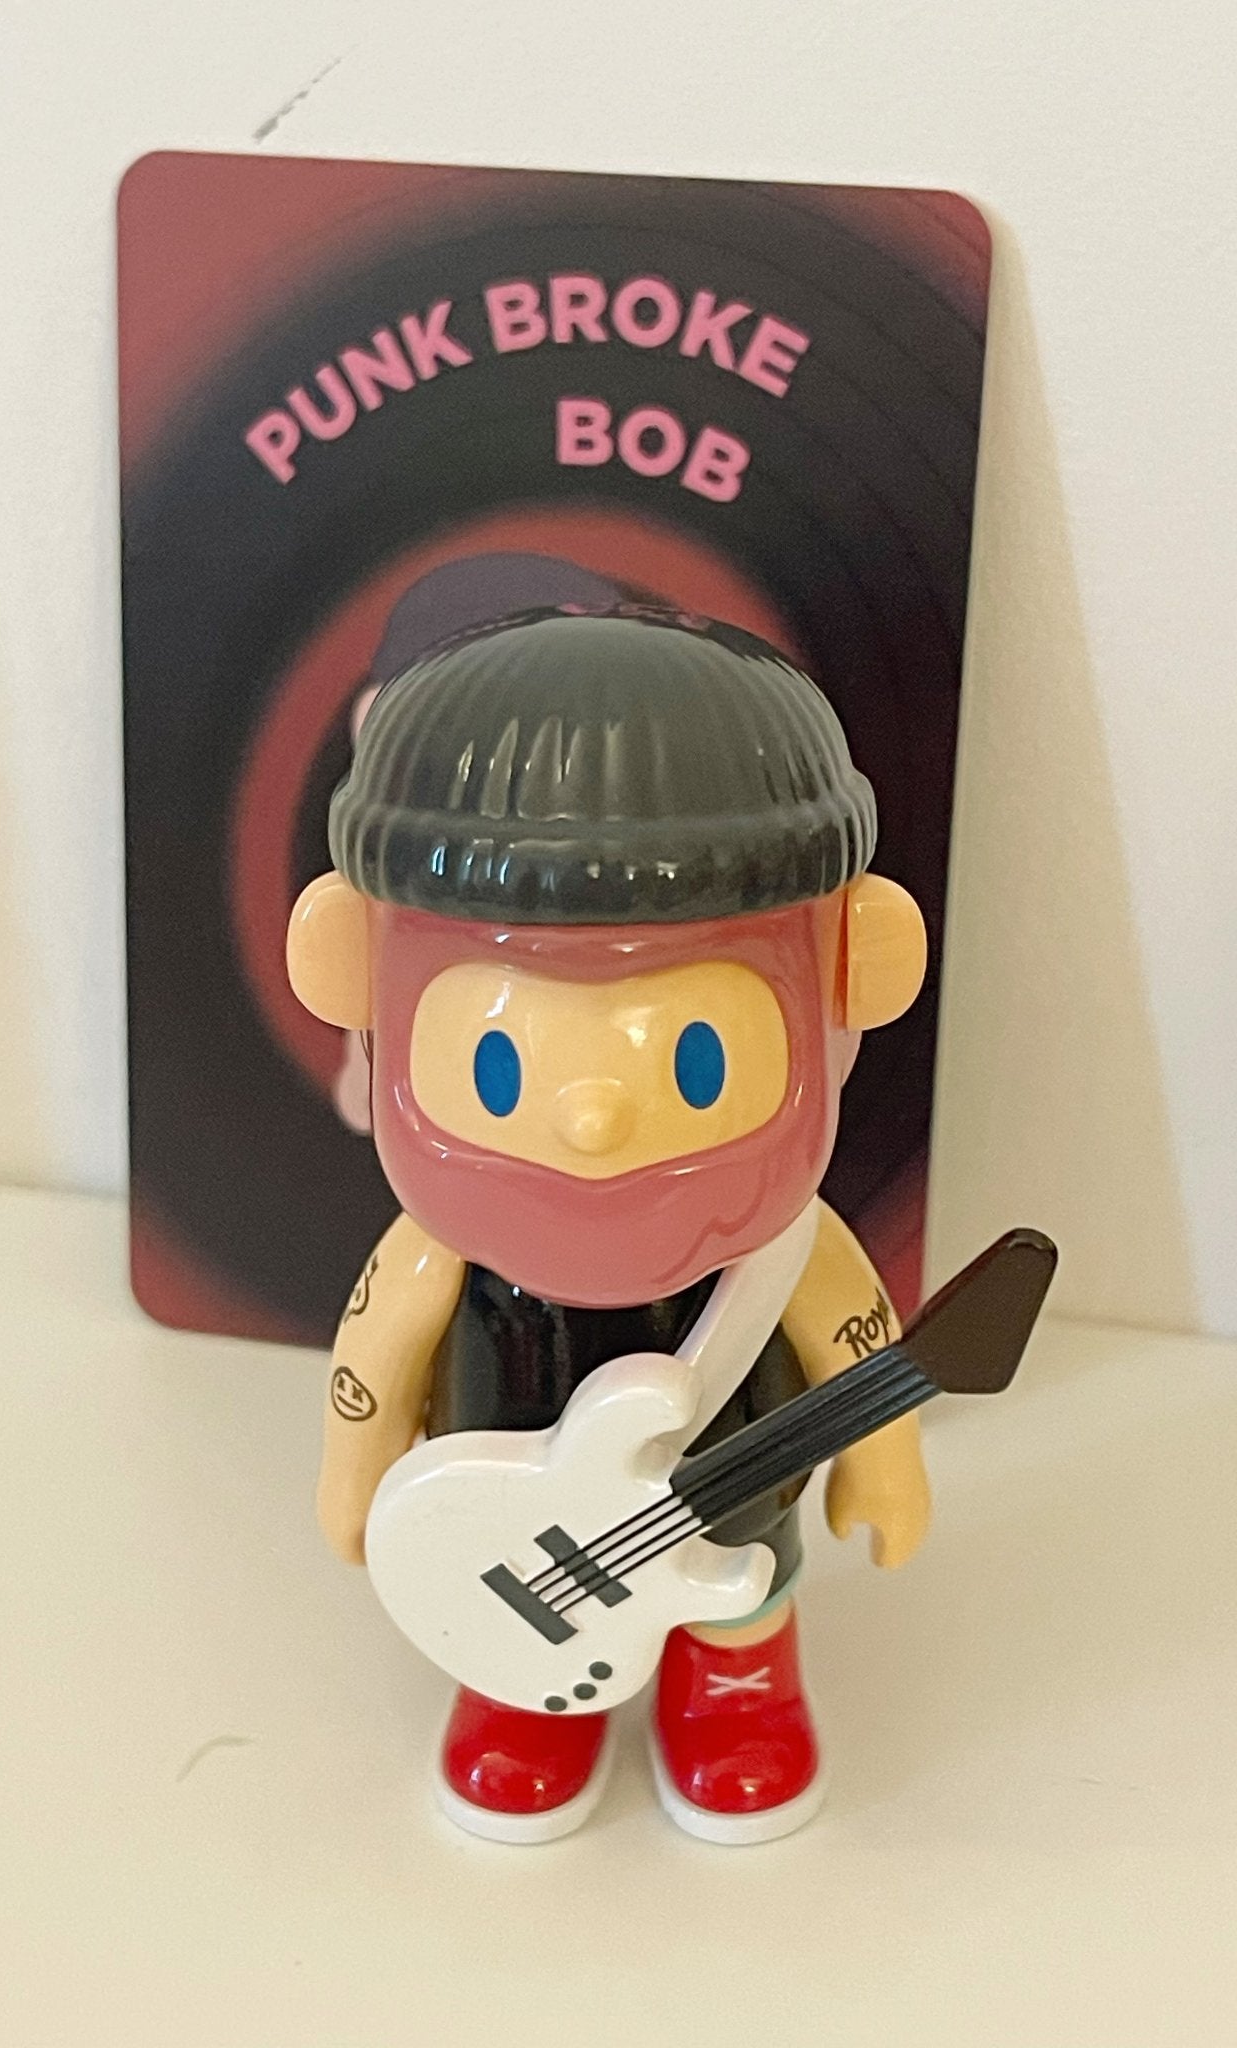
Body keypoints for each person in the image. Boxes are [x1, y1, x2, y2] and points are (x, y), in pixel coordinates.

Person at [286, 604, 931, 1843]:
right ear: (349, 967)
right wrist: (353, 1468)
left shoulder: (782, 1245)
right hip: (503, 1535)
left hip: (732, 1493)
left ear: (859, 965)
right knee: (507, 1608)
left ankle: (735, 1685)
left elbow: (855, 1331)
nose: (590, 1119)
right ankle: (523, 1693)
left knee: (743, 1583)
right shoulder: (440, 1251)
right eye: (500, 1060)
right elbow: (375, 1357)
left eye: (697, 1056)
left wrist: (884, 1455)